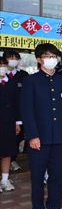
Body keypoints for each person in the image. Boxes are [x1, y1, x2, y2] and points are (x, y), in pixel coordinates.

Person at [20, 43, 62, 209]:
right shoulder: (31, 81)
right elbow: (27, 111)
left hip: (59, 138)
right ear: (39, 59)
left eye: (54, 56)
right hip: (39, 139)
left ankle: (53, 207)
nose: (52, 59)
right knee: (37, 177)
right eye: (48, 56)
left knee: (57, 175)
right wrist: (32, 136)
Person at [3, 49, 29, 172]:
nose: (13, 60)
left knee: (19, 136)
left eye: (15, 58)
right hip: (7, 114)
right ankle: (11, 160)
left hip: (22, 110)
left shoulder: (23, 75)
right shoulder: (3, 75)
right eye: (10, 58)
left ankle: (13, 159)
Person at [0, 57, 21, 192]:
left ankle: (5, 180)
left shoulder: (11, 83)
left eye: (3, 65)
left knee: (7, 151)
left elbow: (17, 103)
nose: (2, 67)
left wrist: (18, 122)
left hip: (9, 122)